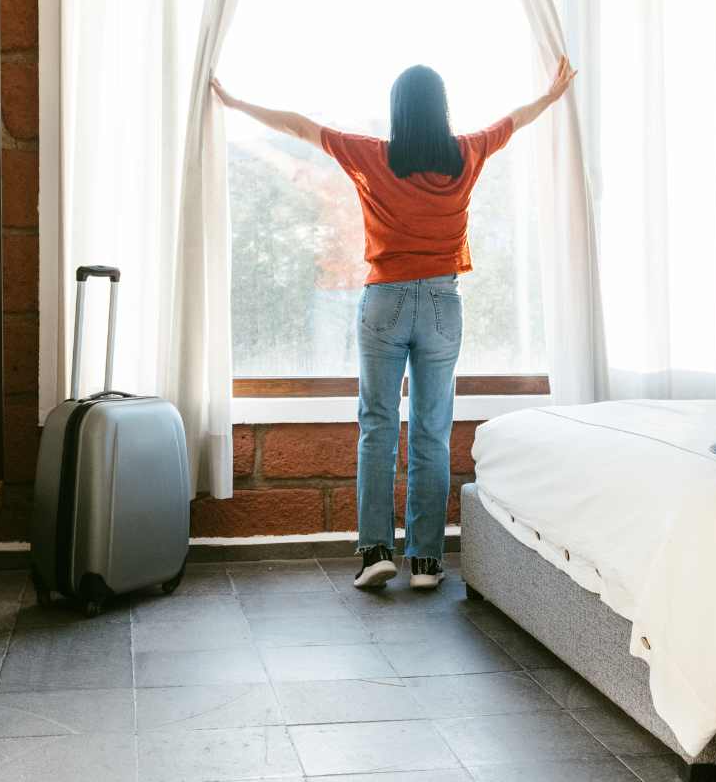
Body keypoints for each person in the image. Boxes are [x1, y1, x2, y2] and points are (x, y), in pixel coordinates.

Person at [213, 59, 577, 589]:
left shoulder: (373, 156)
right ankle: (427, 561)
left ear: (398, 112)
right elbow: (515, 120)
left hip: (384, 300)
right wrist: (551, 93)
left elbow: (298, 125)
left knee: (378, 426)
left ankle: (376, 553)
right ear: (441, 108)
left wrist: (237, 103)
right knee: (432, 431)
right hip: (441, 303)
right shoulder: (467, 154)